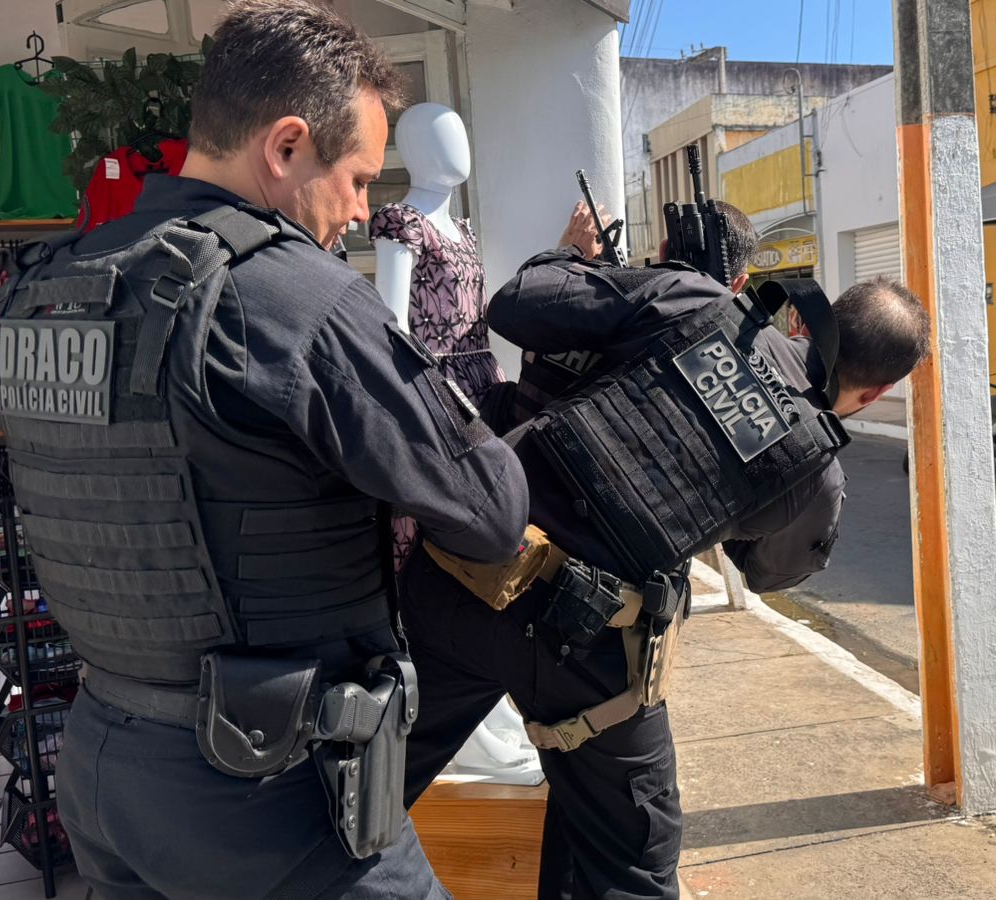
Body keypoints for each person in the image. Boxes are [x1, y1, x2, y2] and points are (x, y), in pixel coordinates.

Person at [0, 2, 528, 897]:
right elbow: (490, 509)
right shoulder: (291, 298)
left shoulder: (55, 284)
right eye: (355, 177)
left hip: (100, 763)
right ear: (285, 147)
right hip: (266, 789)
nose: (361, 210)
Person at [398, 199, 931, 899]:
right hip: (585, 649)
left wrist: (584, 264)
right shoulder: (817, 473)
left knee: (352, 793)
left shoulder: (693, 298)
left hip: (463, 575)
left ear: (807, 318)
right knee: (631, 865)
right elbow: (769, 570)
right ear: (882, 391)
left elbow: (517, 307)